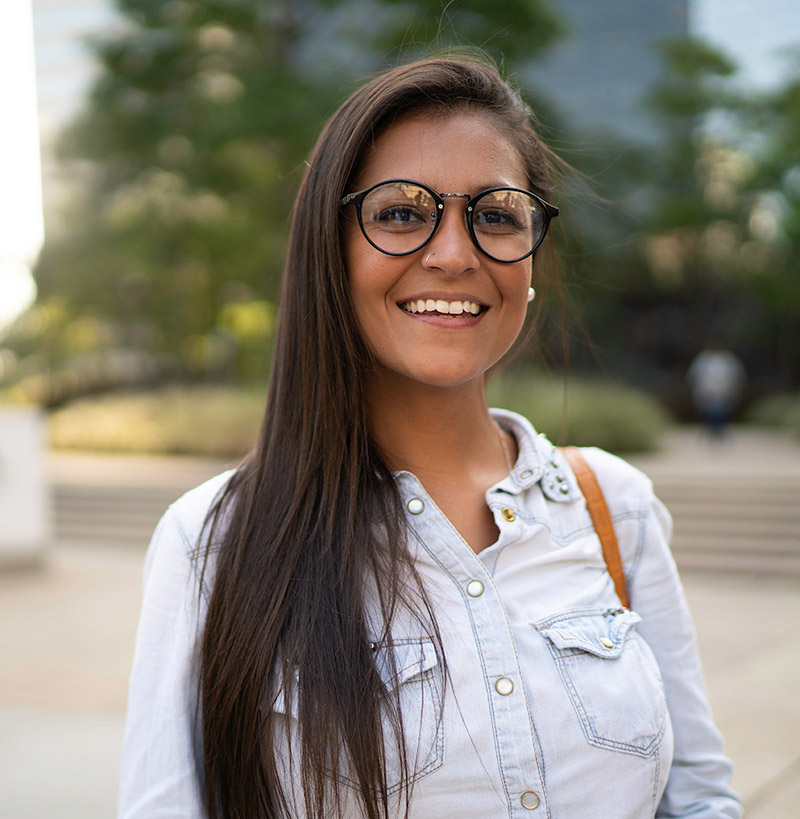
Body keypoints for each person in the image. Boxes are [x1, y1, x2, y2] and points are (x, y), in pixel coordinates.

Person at [118, 56, 742, 818]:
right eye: (401, 213)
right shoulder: (213, 542)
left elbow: (702, 802)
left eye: (496, 214)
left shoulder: (616, 508)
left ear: (533, 257)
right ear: (331, 250)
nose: (454, 253)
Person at [688, 342, 746, 440]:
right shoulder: (704, 359)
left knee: (720, 412)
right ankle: (714, 430)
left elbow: (736, 375)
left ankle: (718, 430)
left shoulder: (727, 359)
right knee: (710, 412)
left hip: (723, 390)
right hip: (707, 390)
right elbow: (694, 376)